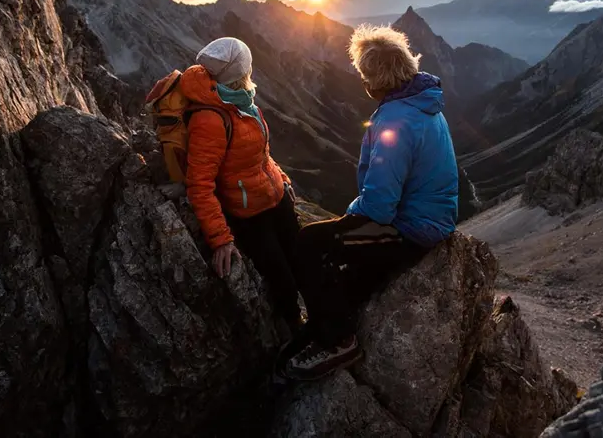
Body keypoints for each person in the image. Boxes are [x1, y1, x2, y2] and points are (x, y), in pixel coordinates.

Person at [283, 25, 459, 381]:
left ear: (377, 78)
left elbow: (379, 208)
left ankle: (338, 341)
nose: (363, 82)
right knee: (348, 262)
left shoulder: (397, 119)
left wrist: (348, 216)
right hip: (431, 217)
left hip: (412, 228)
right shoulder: (423, 101)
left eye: (365, 75)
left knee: (310, 243)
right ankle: (323, 324)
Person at [182, 37, 302, 333]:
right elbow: (200, 184)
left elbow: (261, 154)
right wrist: (221, 238)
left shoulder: (243, 102)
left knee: (304, 257)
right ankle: (294, 330)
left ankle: (319, 317)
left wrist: (282, 181)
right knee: (283, 278)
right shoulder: (210, 118)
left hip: (274, 197)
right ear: (240, 72)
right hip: (250, 215)